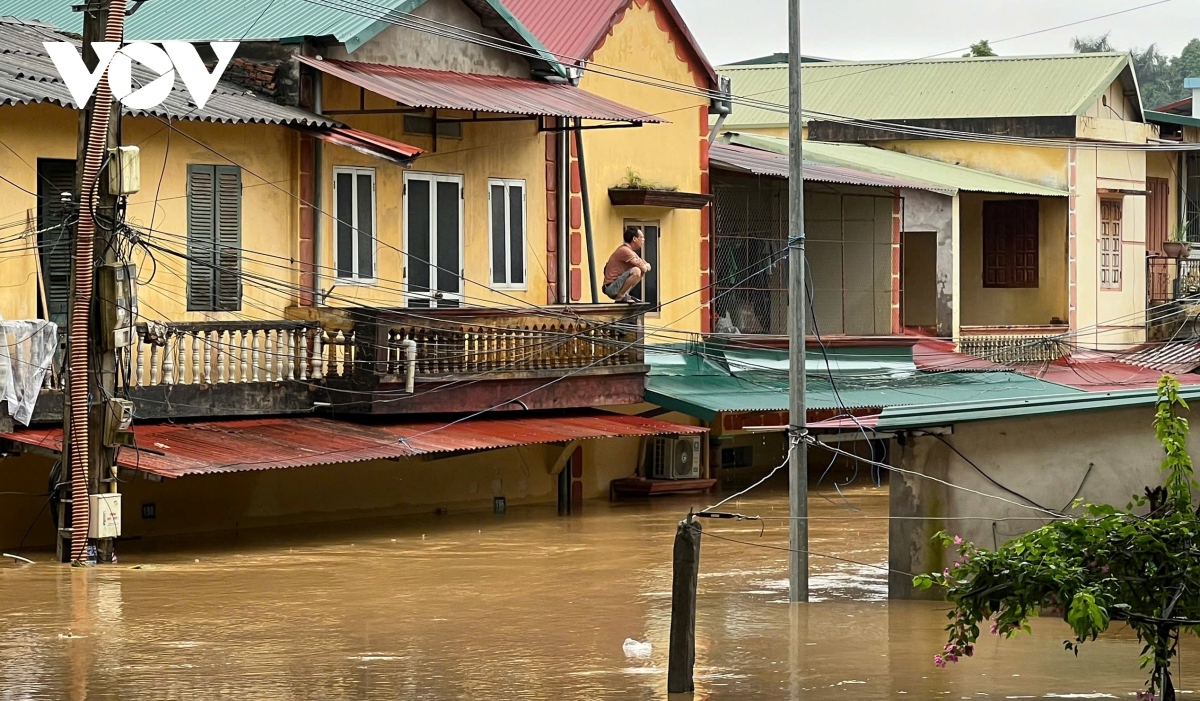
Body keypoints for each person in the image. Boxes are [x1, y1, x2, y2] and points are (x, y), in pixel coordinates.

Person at [603, 226, 651, 303]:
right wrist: (647, 265)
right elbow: (645, 267)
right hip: (611, 288)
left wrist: (645, 266)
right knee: (636, 270)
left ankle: (625, 294)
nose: (643, 240)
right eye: (641, 237)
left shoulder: (631, 252)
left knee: (640, 271)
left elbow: (643, 267)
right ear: (634, 239)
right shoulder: (625, 251)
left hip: (617, 286)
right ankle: (620, 296)